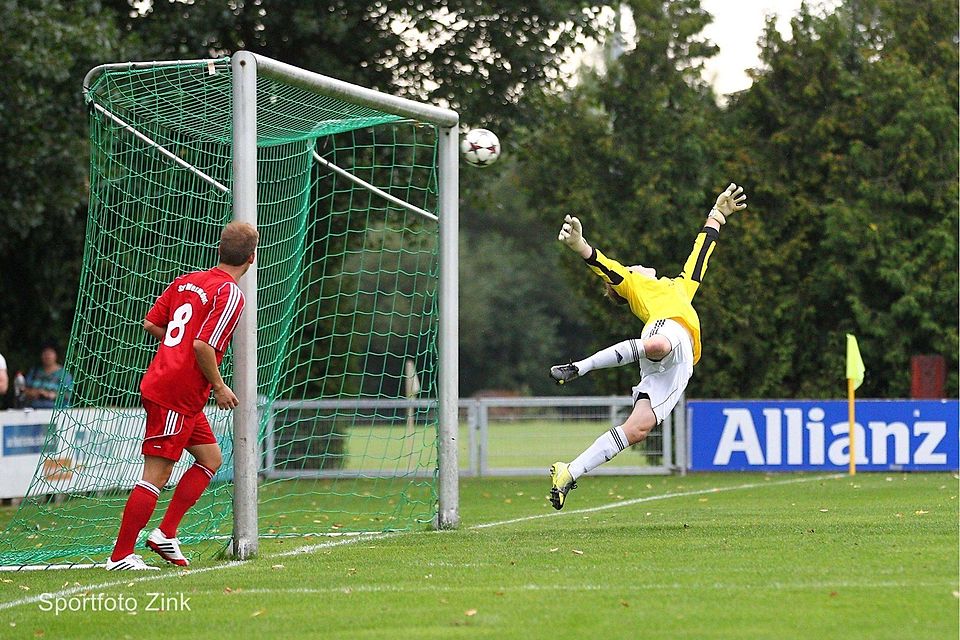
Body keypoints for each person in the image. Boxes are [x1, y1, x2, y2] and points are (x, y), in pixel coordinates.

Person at [548, 183, 746, 510]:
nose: (635, 267)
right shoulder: (637, 285)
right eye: (631, 270)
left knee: (637, 429)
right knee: (657, 344)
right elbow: (606, 266)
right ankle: (579, 367)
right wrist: (581, 245)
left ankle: (570, 471)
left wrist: (718, 215)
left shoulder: (679, 287)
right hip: (666, 334)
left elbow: (700, 257)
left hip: (678, 368)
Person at [106, 221, 259, 571]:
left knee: (210, 459)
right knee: (155, 475)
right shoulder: (230, 293)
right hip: (176, 392)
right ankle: (120, 556)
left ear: (219, 250)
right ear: (251, 258)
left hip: (176, 390)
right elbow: (203, 344)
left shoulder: (188, 279)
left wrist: (177, 348)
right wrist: (219, 386)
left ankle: (165, 533)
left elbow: (151, 324)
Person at [22, 344, 73, 409]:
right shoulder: (34, 372)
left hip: (56, 410)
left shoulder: (64, 374)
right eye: (45, 353)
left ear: (56, 355)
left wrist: (50, 395)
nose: (47, 356)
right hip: (33, 409)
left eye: (50, 353)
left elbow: (68, 394)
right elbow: (25, 390)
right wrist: (36, 393)